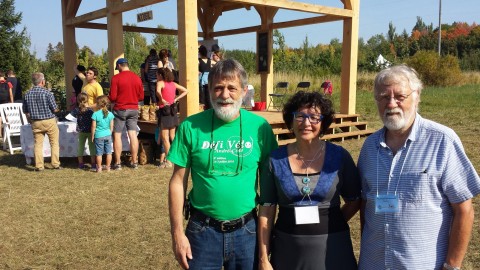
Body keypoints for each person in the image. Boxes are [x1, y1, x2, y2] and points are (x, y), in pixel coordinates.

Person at [358, 65, 480, 270]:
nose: (391, 103)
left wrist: (452, 266)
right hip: (374, 263)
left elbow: (464, 211)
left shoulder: (442, 141)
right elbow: (365, 205)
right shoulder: (369, 147)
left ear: (417, 97)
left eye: (400, 96)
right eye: (383, 97)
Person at [168, 59, 278, 270]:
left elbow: (269, 191)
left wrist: (265, 246)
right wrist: (177, 233)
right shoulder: (190, 126)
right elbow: (177, 182)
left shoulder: (260, 128)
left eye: (232, 88)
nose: (224, 95)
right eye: (218, 87)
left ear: (245, 91)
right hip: (202, 231)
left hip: (247, 232)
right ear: (209, 90)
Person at [258, 91, 360, 270]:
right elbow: (266, 210)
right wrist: (263, 259)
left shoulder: (340, 157)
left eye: (314, 117)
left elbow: (354, 200)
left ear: (323, 122)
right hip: (288, 249)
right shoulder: (274, 159)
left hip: (334, 249)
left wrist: (328, 220)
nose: (306, 123)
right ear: (290, 120)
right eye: (300, 116)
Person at [109, 58, 144, 170]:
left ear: (119, 66)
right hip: (133, 109)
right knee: (133, 135)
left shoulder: (116, 78)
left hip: (120, 109)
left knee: (117, 135)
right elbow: (141, 96)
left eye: (117, 68)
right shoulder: (137, 78)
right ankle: (134, 162)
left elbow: (113, 97)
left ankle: (118, 163)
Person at [22, 72, 62, 171]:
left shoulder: (27, 94)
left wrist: (30, 120)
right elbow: (54, 109)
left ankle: (39, 166)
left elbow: (25, 111)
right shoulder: (47, 93)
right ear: (42, 81)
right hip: (49, 120)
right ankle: (55, 164)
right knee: (54, 143)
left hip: (36, 121)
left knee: (38, 144)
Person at [155, 68, 188, 169]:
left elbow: (157, 91)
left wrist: (161, 99)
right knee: (173, 137)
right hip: (173, 110)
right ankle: (178, 157)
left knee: (165, 137)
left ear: (161, 75)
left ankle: (169, 161)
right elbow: (186, 90)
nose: (157, 76)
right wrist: (176, 99)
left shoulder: (160, 82)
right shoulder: (173, 84)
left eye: (157, 75)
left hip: (164, 111)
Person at [70, 92, 96, 171]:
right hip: (90, 131)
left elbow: (68, 117)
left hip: (81, 131)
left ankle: (80, 164)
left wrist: (76, 121)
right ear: (87, 100)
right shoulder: (90, 111)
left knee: (80, 147)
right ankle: (93, 164)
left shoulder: (77, 110)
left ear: (77, 100)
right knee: (92, 147)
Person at [91, 95, 114, 173]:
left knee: (99, 153)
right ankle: (108, 167)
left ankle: (99, 168)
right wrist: (109, 133)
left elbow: (93, 126)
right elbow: (111, 126)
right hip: (108, 135)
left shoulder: (95, 114)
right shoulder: (110, 114)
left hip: (98, 135)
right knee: (109, 152)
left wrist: (92, 136)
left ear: (98, 104)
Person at [198, 45, 212, 110]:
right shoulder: (210, 60)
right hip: (209, 80)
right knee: (208, 96)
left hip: (201, 81)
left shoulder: (198, 61)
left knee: (202, 97)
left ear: (200, 52)